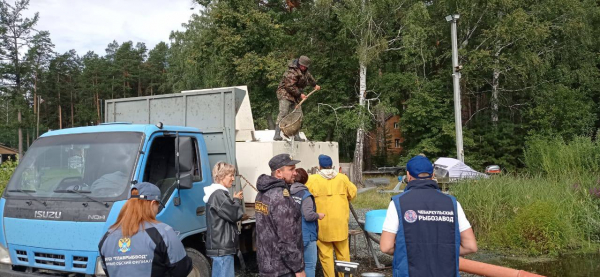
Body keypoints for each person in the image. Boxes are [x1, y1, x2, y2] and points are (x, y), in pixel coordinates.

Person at [379, 155, 478, 277]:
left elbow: (385, 247)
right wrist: (441, 251)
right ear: (432, 175)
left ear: (408, 175)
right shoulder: (452, 203)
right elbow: (471, 246)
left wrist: (412, 251)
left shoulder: (398, 203)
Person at [98, 182, 192, 277]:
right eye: (158, 207)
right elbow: (182, 268)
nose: (157, 211)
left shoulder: (106, 237)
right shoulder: (164, 232)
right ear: (152, 203)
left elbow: (107, 271)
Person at [255, 154, 306, 277]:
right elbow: (286, 238)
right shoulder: (280, 197)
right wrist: (298, 269)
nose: (295, 173)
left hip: (266, 265)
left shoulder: (262, 193)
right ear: (279, 173)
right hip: (283, 269)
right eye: (291, 169)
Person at [306, 154, 357, 277]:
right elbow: (353, 193)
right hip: (340, 224)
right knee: (344, 254)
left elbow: (306, 198)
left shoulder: (312, 179)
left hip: (322, 225)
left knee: (326, 255)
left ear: (319, 166)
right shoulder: (342, 178)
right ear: (332, 165)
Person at [203, 162, 244, 277]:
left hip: (219, 248)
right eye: (230, 175)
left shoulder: (216, 194)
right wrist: (236, 201)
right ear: (221, 176)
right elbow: (235, 214)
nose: (233, 179)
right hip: (222, 249)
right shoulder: (218, 195)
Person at [274, 55, 321, 142]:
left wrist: (315, 85)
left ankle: (296, 136)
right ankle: (277, 134)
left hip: (295, 95)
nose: (303, 67)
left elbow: (310, 79)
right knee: (283, 112)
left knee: (298, 114)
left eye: (305, 66)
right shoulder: (292, 72)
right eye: (302, 66)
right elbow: (289, 86)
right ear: (299, 64)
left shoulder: (305, 72)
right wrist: (300, 95)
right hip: (285, 93)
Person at [290, 168, 325, 277]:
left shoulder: (287, 193)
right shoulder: (305, 195)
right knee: (309, 265)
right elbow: (308, 215)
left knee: (294, 265)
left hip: (292, 234)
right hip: (306, 235)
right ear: (305, 180)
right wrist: (318, 215)